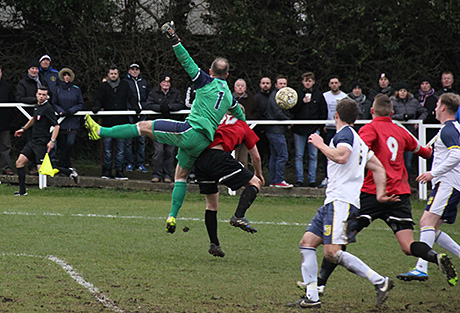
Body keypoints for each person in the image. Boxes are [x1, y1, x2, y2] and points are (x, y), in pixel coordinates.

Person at [85, 21, 246, 234]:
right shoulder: (229, 96)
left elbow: (185, 60)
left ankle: (99, 132)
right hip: (203, 143)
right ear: (227, 76)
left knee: (143, 126)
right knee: (180, 175)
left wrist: (173, 37)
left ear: (210, 71)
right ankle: (172, 216)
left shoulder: (204, 81)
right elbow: (241, 117)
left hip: (190, 132)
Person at [311, 94, 454, 296]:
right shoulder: (400, 130)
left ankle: (319, 284)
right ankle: (435, 256)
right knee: (407, 245)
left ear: (371, 111)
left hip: (371, 193)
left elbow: (357, 151)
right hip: (400, 194)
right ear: (392, 112)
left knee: (340, 239)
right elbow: (425, 152)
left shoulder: (369, 129)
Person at [288, 98, 394, 309]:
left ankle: (380, 281)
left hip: (341, 202)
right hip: (334, 202)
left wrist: (320, 144)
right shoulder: (358, 139)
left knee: (332, 252)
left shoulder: (344, 135)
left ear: (336, 115)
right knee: (307, 243)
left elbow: (342, 156)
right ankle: (312, 296)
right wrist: (380, 194)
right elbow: (379, 167)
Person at [397, 93, 460, 287]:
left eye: (437, 104)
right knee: (433, 228)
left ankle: (421, 268)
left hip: (446, 184)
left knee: (426, 222)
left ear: (443, 108)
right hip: (449, 184)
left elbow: (457, 153)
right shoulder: (449, 128)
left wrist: (433, 173)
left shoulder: (448, 129)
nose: (434, 108)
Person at [195, 112, 264, 257]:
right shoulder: (243, 124)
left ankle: (214, 244)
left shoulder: (215, 118)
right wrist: (259, 174)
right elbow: (256, 156)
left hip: (200, 159)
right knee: (255, 183)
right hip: (218, 157)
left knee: (211, 205)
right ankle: (239, 216)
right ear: (242, 114)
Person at [13, 87, 78, 196]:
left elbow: (56, 126)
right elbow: (33, 119)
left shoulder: (48, 108)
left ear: (47, 96)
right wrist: (23, 129)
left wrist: (52, 141)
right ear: (36, 94)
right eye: (39, 94)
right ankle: (22, 191)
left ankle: (69, 171)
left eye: (44, 95)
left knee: (43, 170)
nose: (41, 96)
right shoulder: (37, 106)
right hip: (33, 142)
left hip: (42, 143)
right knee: (19, 162)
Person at [92, 64, 138, 180]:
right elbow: (98, 99)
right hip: (107, 122)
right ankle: (106, 171)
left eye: (115, 74)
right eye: (111, 74)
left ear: (118, 74)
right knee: (107, 149)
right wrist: (96, 107)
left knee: (120, 149)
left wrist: (136, 107)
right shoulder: (103, 86)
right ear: (108, 75)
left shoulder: (124, 85)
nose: (113, 76)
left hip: (122, 122)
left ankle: (119, 171)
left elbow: (131, 97)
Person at [146, 73, 185, 183]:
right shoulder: (154, 93)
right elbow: (148, 105)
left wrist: (169, 107)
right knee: (159, 151)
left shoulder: (176, 93)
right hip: (157, 126)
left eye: (168, 82)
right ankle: (156, 174)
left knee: (170, 152)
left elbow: (181, 104)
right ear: (160, 83)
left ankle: (168, 175)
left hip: (172, 127)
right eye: (164, 82)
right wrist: (159, 108)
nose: (166, 84)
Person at [291, 72, 327, 187]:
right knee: (299, 155)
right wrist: (302, 103)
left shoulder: (318, 95)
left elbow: (323, 111)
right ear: (302, 82)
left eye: (310, 81)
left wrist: (319, 127)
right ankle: (299, 180)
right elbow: (292, 111)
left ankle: (312, 180)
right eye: (306, 80)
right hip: (299, 129)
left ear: (313, 82)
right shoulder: (297, 94)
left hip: (313, 129)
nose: (308, 83)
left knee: (313, 155)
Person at [391, 82, 427, 176]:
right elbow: (390, 115)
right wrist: (403, 116)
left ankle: (406, 183)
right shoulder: (392, 101)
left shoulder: (414, 102)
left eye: (404, 91)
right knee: (396, 160)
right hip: (396, 135)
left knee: (408, 162)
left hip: (410, 135)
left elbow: (424, 111)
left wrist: (418, 121)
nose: (402, 93)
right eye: (400, 90)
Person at [52, 68, 84, 169]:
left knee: (70, 143)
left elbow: (80, 103)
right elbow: (54, 103)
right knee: (62, 144)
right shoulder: (57, 89)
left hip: (72, 120)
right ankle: (65, 165)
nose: (67, 77)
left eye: (68, 75)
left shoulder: (76, 89)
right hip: (61, 121)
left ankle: (63, 163)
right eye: (65, 75)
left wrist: (71, 111)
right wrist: (60, 111)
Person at [264, 75, 293, 188]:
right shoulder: (276, 97)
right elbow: (277, 113)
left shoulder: (281, 97)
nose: (283, 86)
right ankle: (279, 180)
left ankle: (273, 181)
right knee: (283, 155)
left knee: (275, 156)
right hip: (275, 130)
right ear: (276, 85)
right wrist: (288, 121)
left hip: (276, 130)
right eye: (280, 84)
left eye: (284, 84)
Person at [320, 74, 348, 187]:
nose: (334, 85)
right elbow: (322, 111)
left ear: (339, 84)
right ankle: (327, 177)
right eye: (332, 83)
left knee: (342, 153)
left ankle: (341, 177)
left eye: (336, 83)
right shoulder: (325, 96)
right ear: (329, 85)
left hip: (341, 129)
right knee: (327, 153)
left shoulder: (345, 97)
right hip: (328, 128)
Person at [123, 63, 150, 173]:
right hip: (129, 113)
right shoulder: (125, 82)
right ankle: (129, 163)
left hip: (142, 113)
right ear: (129, 71)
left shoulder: (144, 82)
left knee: (141, 140)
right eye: (132, 69)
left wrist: (144, 108)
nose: (134, 71)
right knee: (128, 140)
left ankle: (140, 163)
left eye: (136, 69)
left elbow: (148, 97)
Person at [232, 78, 261, 167]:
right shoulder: (228, 99)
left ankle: (244, 177)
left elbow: (258, 112)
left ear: (245, 88)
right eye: (238, 86)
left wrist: (249, 118)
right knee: (232, 156)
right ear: (234, 87)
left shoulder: (252, 100)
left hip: (246, 130)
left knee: (243, 157)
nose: (240, 88)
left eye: (242, 86)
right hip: (231, 131)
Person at [253, 76, 272, 168]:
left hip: (272, 129)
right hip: (260, 130)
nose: (265, 85)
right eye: (263, 83)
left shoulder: (274, 96)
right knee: (259, 153)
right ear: (260, 85)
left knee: (271, 153)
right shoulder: (256, 98)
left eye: (267, 83)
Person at [0, 64, 15, 175]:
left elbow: (12, 104)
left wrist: (9, 117)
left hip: (4, 122)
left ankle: (6, 167)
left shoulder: (7, 86)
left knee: (5, 146)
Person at [418, 76, 439, 144]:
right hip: (419, 127)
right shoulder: (417, 97)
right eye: (423, 84)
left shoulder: (435, 98)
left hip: (432, 127)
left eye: (427, 83)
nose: (425, 86)